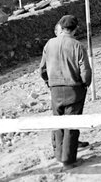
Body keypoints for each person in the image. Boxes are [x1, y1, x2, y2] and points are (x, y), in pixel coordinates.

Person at [39, 15, 92, 169]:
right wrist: (85, 83)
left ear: (61, 28)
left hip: (55, 89)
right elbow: (86, 72)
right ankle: (68, 160)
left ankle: (59, 156)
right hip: (74, 88)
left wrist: (49, 82)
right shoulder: (78, 45)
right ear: (75, 29)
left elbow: (42, 69)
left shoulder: (49, 44)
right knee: (72, 124)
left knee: (58, 122)